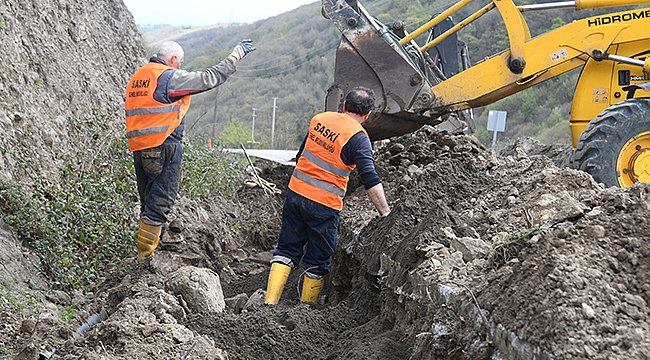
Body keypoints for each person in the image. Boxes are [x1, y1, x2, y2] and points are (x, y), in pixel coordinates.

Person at [125, 39, 256, 261]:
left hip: (140, 148)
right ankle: (144, 258)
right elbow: (206, 79)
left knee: (149, 203)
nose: (180, 66)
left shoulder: (138, 78)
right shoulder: (167, 77)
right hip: (164, 145)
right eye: (180, 62)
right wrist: (236, 55)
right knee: (160, 203)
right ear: (174, 59)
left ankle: (148, 252)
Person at [265, 87, 390, 305]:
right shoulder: (359, 138)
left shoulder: (319, 119)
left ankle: (270, 303)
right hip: (324, 205)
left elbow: (302, 153)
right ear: (367, 114)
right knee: (317, 259)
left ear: (344, 106)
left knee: (286, 249)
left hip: (295, 194)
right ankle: (307, 310)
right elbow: (369, 178)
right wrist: (385, 212)